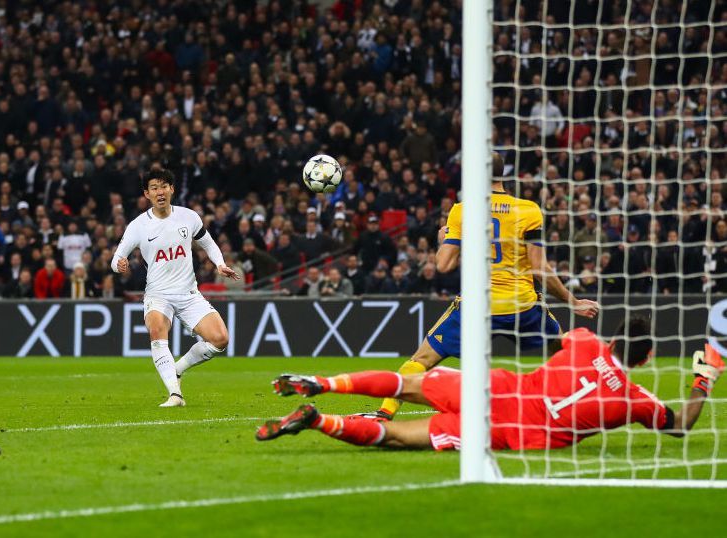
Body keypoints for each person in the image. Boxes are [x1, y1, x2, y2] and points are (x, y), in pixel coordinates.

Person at [257, 317, 724, 451]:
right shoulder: (636, 399)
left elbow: (561, 334)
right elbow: (681, 424)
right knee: (399, 437)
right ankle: (320, 421)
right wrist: (704, 379)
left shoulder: (585, 341)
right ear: (645, 360)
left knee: (406, 384)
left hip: (498, 388)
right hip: (515, 432)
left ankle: (325, 382)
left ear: (617, 340)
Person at [366, 154, 600, 421]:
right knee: (563, 350)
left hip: (478, 307)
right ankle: (587, 402)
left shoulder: (462, 210)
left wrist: (444, 239)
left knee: (423, 358)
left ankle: (384, 414)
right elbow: (539, 268)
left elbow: (442, 266)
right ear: (504, 174)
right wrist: (573, 301)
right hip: (522, 306)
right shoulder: (529, 210)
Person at [112, 168, 239, 407]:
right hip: (158, 294)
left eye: (163, 186)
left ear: (172, 189)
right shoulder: (138, 226)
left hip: (189, 293)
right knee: (157, 329)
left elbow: (208, 243)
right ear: (146, 194)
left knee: (220, 339)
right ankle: (175, 394)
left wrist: (220, 264)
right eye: (154, 188)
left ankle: (177, 369)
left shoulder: (189, 217)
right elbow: (116, 258)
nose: (160, 192)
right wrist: (119, 265)